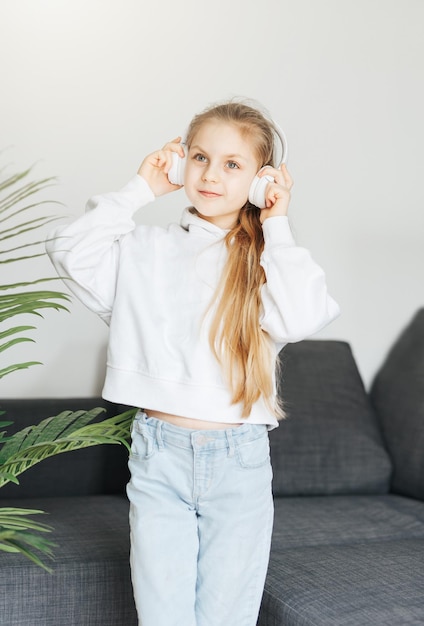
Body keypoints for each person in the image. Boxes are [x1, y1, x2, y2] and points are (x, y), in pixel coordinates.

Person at [46, 99, 340, 626]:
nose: (211, 174)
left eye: (233, 164)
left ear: (259, 180)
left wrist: (278, 222)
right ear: (181, 163)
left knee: (228, 616)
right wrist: (141, 188)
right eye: (200, 157)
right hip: (158, 455)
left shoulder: (265, 260)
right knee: (163, 615)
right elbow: (69, 247)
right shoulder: (144, 249)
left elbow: (301, 316)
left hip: (239, 460)